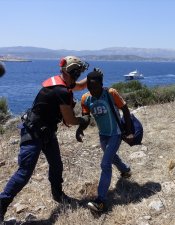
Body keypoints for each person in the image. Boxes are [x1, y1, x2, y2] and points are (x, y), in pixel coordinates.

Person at [0, 56, 91, 223]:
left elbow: (80, 86)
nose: (80, 75)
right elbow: (70, 120)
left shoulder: (62, 83)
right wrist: (83, 120)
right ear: (74, 72)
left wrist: (91, 79)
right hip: (34, 133)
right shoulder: (61, 91)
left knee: (56, 165)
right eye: (79, 72)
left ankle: (58, 195)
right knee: (24, 173)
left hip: (46, 132)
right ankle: (1, 203)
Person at [78, 68, 133, 213]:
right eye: (89, 86)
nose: (92, 89)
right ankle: (126, 170)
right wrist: (79, 129)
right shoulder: (85, 99)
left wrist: (129, 130)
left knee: (105, 163)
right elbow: (86, 118)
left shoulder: (111, 93)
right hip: (103, 135)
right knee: (112, 157)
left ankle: (100, 201)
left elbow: (125, 110)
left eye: (95, 86)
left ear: (101, 84)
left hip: (116, 133)